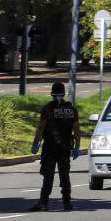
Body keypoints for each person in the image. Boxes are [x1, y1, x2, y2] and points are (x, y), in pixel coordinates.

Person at [29, 82, 80, 212]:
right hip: (65, 148)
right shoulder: (71, 109)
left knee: (48, 175)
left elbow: (41, 128)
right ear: (63, 94)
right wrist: (77, 147)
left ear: (52, 94)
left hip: (50, 147)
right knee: (64, 175)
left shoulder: (48, 109)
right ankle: (67, 203)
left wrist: (35, 145)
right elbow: (76, 130)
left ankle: (43, 203)